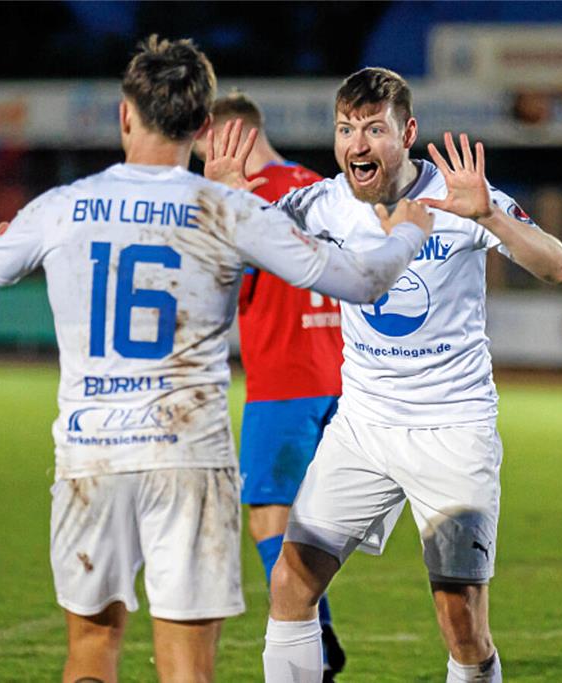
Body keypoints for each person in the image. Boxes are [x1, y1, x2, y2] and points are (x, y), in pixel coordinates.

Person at [0, 40, 434, 683]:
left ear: (125, 115)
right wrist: (408, 231)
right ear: (204, 125)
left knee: (90, 651)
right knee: (187, 668)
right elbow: (362, 281)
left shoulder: (61, 207)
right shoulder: (226, 208)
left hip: (92, 456)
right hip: (187, 458)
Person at [246, 68, 562, 682]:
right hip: (363, 427)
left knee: (462, 624)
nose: (357, 145)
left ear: (408, 133)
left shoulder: (459, 199)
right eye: (347, 129)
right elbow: (243, 238)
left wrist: (491, 218)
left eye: (374, 129)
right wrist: (224, 198)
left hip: (452, 430)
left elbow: (561, 266)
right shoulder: (324, 202)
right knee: (291, 580)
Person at [194, 93, 347, 680]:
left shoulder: (247, 199)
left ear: (232, 137)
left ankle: (316, 630)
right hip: (341, 378)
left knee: (268, 516)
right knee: (325, 521)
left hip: (282, 382)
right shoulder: (322, 187)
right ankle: (316, 628)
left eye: (208, 143)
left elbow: (216, 288)